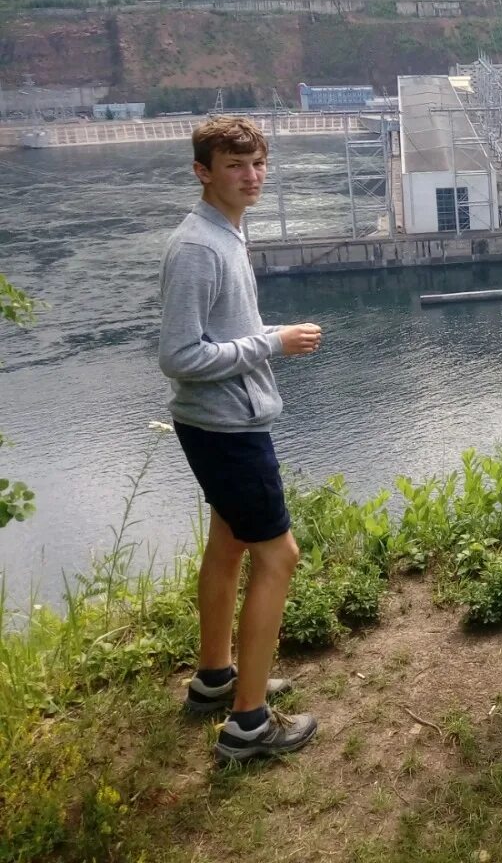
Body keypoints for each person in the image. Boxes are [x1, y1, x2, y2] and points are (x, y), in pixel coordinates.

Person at [158, 115, 324, 764]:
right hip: (226, 426)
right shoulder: (199, 246)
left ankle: (216, 678)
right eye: (234, 166)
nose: (250, 177)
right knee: (279, 557)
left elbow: (215, 335)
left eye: (256, 164)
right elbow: (178, 355)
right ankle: (248, 725)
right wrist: (272, 343)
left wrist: (263, 339)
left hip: (220, 419)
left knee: (227, 547)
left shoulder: (223, 233)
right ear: (203, 171)